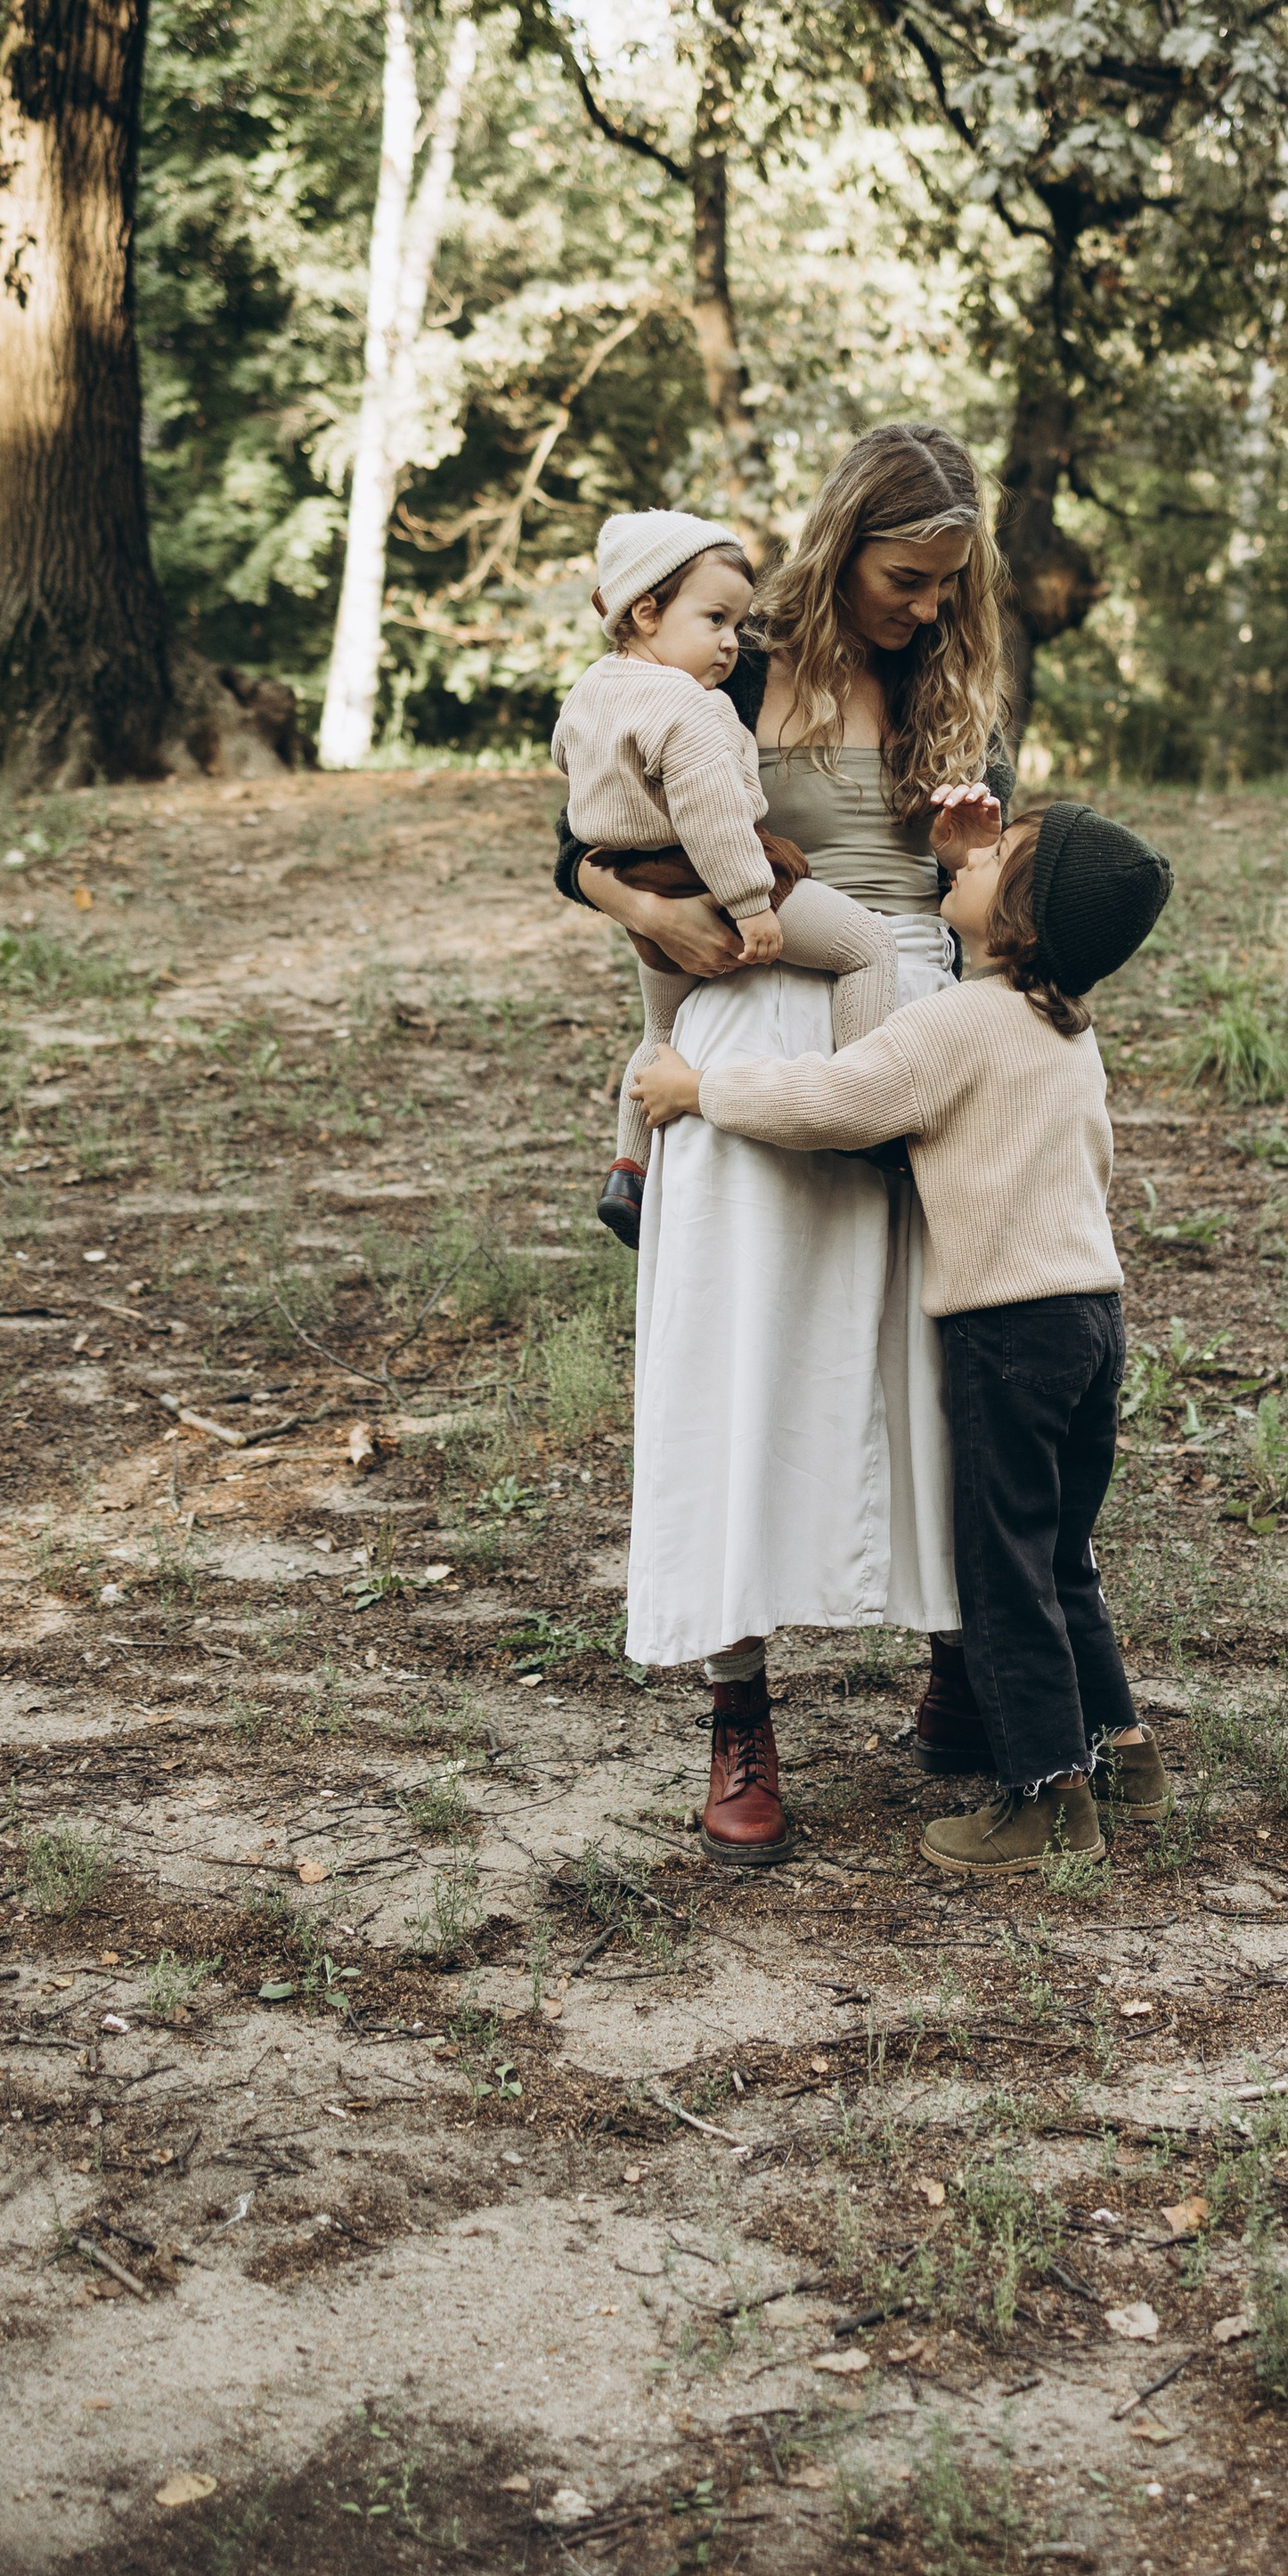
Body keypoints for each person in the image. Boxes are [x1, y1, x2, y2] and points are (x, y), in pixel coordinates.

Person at [555, 425, 1013, 1863]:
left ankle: (958, 1657)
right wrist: (656, 920)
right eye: (905, 576)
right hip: (752, 1017)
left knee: (948, 1363)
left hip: (917, 1022)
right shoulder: (728, 659)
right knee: (740, 1364)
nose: (927, 607)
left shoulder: (956, 688)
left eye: (949, 584)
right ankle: (739, 1707)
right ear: (846, 541)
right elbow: (577, 839)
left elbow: (985, 889)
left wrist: (981, 864)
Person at [634, 800, 1176, 1875]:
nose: (964, 864)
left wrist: (699, 1089)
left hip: (1005, 1332)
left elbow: (840, 1101)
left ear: (1013, 922)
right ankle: (1125, 1755)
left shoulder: (951, 1024)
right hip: (1090, 1316)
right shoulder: (1064, 1023)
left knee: (1003, 1566)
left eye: (991, 862)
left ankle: (1039, 1800)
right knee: (1063, 1554)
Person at [551, 509, 897, 1247]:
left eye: (737, 624)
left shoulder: (588, 692)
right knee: (868, 947)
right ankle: (863, 1114)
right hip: (710, 874)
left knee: (661, 1026)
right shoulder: (693, 708)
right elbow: (712, 818)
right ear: (645, 610)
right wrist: (751, 906)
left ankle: (630, 1170)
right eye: (714, 620)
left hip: (633, 874)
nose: (731, 644)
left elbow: (567, 770)